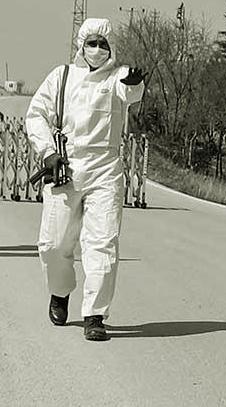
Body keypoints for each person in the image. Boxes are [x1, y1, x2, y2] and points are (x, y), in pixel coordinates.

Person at [26, 18, 146, 341]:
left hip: (105, 168)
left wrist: (135, 83)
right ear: (81, 46)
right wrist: (48, 152)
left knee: (102, 241)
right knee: (53, 243)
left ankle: (95, 314)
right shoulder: (62, 76)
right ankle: (60, 291)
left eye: (102, 44)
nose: (96, 49)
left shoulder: (118, 77)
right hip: (66, 165)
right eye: (91, 43)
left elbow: (131, 92)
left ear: (111, 48)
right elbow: (35, 114)